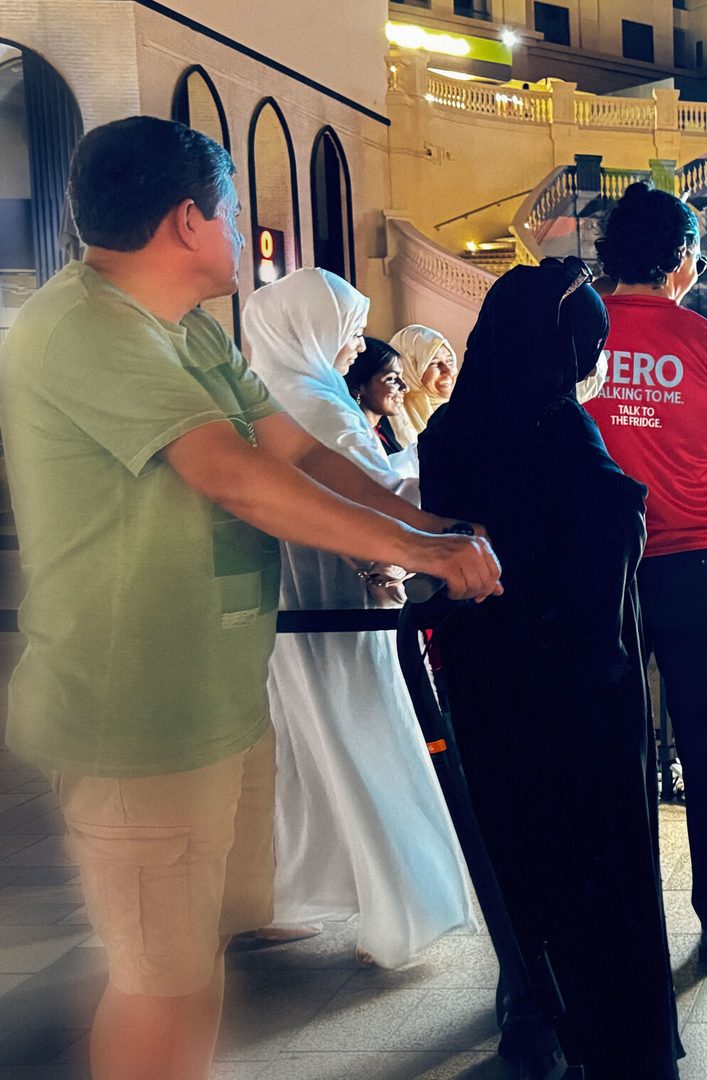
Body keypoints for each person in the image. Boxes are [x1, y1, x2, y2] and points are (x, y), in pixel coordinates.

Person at [0, 116, 499, 1080]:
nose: (240, 237)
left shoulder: (184, 332)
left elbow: (299, 452)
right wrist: (412, 548)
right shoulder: (84, 327)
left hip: (211, 704)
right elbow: (231, 473)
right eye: (231, 215)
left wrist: (434, 533)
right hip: (135, 717)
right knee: (156, 979)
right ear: (188, 221)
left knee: (186, 974)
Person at [421, 257, 682, 1078]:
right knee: (594, 859)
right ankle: (608, 1034)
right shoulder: (560, 429)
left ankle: (529, 1009)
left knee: (515, 845)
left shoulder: (450, 431)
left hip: (484, 673)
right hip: (574, 686)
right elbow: (600, 546)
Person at [242, 267, 473, 966]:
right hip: (333, 594)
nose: (353, 346)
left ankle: (289, 894)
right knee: (364, 731)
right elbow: (376, 492)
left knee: (306, 744)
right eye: (344, 330)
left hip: (291, 594)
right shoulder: (313, 401)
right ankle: (404, 903)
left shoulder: (263, 392)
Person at [586, 180, 707, 961]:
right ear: (685, 262)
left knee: (609, 748)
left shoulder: (574, 342)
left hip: (598, 576)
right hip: (701, 569)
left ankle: (619, 922)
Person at [388, 323, 458, 447]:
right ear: (409, 369)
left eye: (450, 361)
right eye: (434, 363)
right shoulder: (391, 420)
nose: (448, 370)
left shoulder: (467, 408)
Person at [345, 338, 409, 456]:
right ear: (358, 388)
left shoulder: (382, 426)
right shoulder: (354, 438)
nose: (404, 387)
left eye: (402, 378)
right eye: (391, 379)